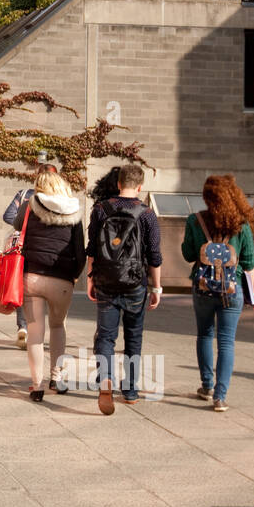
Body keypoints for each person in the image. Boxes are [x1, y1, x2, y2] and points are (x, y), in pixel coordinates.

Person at [85, 163, 162, 414]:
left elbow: (93, 249)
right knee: (133, 336)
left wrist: (90, 278)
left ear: (118, 184)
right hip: (135, 283)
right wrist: (157, 288)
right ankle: (130, 390)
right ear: (140, 186)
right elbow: (154, 255)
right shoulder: (147, 214)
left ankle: (105, 378)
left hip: (106, 280)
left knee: (106, 336)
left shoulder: (100, 209)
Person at [182, 174, 254, 412]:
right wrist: (251, 294)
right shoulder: (241, 224)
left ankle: (206, 385)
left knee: (205, 335)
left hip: (203, 287)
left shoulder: (195, 220)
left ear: (207, 197)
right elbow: (248, 263)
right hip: (231, 288)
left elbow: (187, 254)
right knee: (226, 342)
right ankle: (220, 396)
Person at [14, 168, 86, 401]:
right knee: (58, 327)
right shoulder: (74, 210)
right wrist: (72, 276)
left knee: (35, 332)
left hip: (32, 276)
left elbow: (17, 227)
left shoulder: (29, 206)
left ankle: (36, 386)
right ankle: (57, 377)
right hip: (62, 280)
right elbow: (79, 251)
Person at [3, 182, 38, 349]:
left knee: (22, 288)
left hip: (22, 247)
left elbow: (8, 215)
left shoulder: (25, 196)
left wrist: (24, 226)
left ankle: (23, 327)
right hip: (49, 252)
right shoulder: (62, 199)